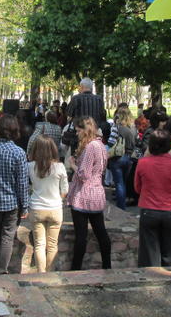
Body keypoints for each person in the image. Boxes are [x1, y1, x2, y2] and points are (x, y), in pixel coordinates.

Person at [134, 129, 171, 267]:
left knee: (148, 255)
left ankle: (149, 280)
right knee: (170, 255)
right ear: (168, 146)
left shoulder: (143, 163)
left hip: (149, 210)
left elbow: (138, 188)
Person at [0, 115, 29, 274]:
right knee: (7, 237)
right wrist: (25, 205)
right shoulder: (19, 153)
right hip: (12, 203)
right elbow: (22, 183)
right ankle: (1, 271)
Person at [67, 116, 112, 270]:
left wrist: (73, 164)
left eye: (79, 131)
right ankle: (107, 266)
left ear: (86, 131)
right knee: (101, 232)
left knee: (81, 236)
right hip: (97, 194)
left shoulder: (90, 147)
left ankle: (75, 269)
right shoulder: (101, 145)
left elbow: (83, 174)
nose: (77, 134)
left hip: (84, 195)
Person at [28, 135, 68, 273]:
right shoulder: (59, 167)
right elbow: (65, 189)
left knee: (39, 244)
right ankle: (50, 274)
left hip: (36, 207)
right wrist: (58, 199)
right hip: (55, 208)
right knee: (52, 245)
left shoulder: (30, 166)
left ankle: (41, 273)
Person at [106, 106, 136, 210]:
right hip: (130, 157)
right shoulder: (133, 127)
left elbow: (111, 142)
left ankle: (120, 207)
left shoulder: (117, 126)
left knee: (119, 183)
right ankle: (124, 204)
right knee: (124, 182)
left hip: (118, 157)